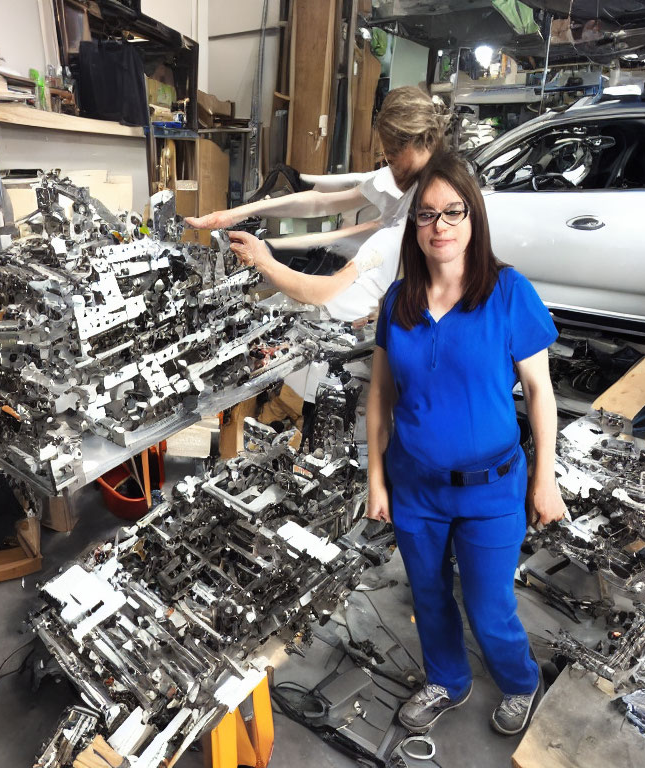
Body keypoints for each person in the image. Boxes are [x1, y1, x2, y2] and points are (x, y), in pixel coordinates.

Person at [365, 151, 567, 736]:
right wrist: (376, 478)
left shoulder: (507, 292)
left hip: (491, 489)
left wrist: (545, 479)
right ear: (415, 226)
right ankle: (448, 681)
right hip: (415, 487)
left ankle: (520, 681)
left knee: (488, 605)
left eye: (453, 211)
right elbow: (380, 395)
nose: (440, 226)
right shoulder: (399, 299)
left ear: (473, 218)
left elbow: (540, 392)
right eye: (427, 215)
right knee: (428, 596)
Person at [186, 86, 446, 319]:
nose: (386, 160)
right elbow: (322, 203)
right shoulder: (404, 177)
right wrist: (234, 214)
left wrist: (262, 259)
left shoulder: (424, 211)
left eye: (391, 154)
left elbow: (324, 292)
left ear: (412, 142)